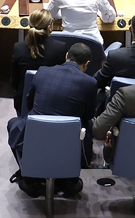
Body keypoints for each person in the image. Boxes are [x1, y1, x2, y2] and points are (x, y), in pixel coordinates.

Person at [10, 43, 99, 191]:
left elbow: (29, 103)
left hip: (35, 134)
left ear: (66, 57)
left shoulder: (42, 71)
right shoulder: (90, 83)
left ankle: (29, 177)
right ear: (87, 64)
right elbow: (89, 115)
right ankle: (68, 180)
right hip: (68, 139)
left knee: (13, 123)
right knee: (88, 125)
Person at [10, 9, 68, 115]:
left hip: (23, 101)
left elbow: (14, 81)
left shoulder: (18, 47)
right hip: (52, 100)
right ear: (49, 27)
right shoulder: (60, 48)